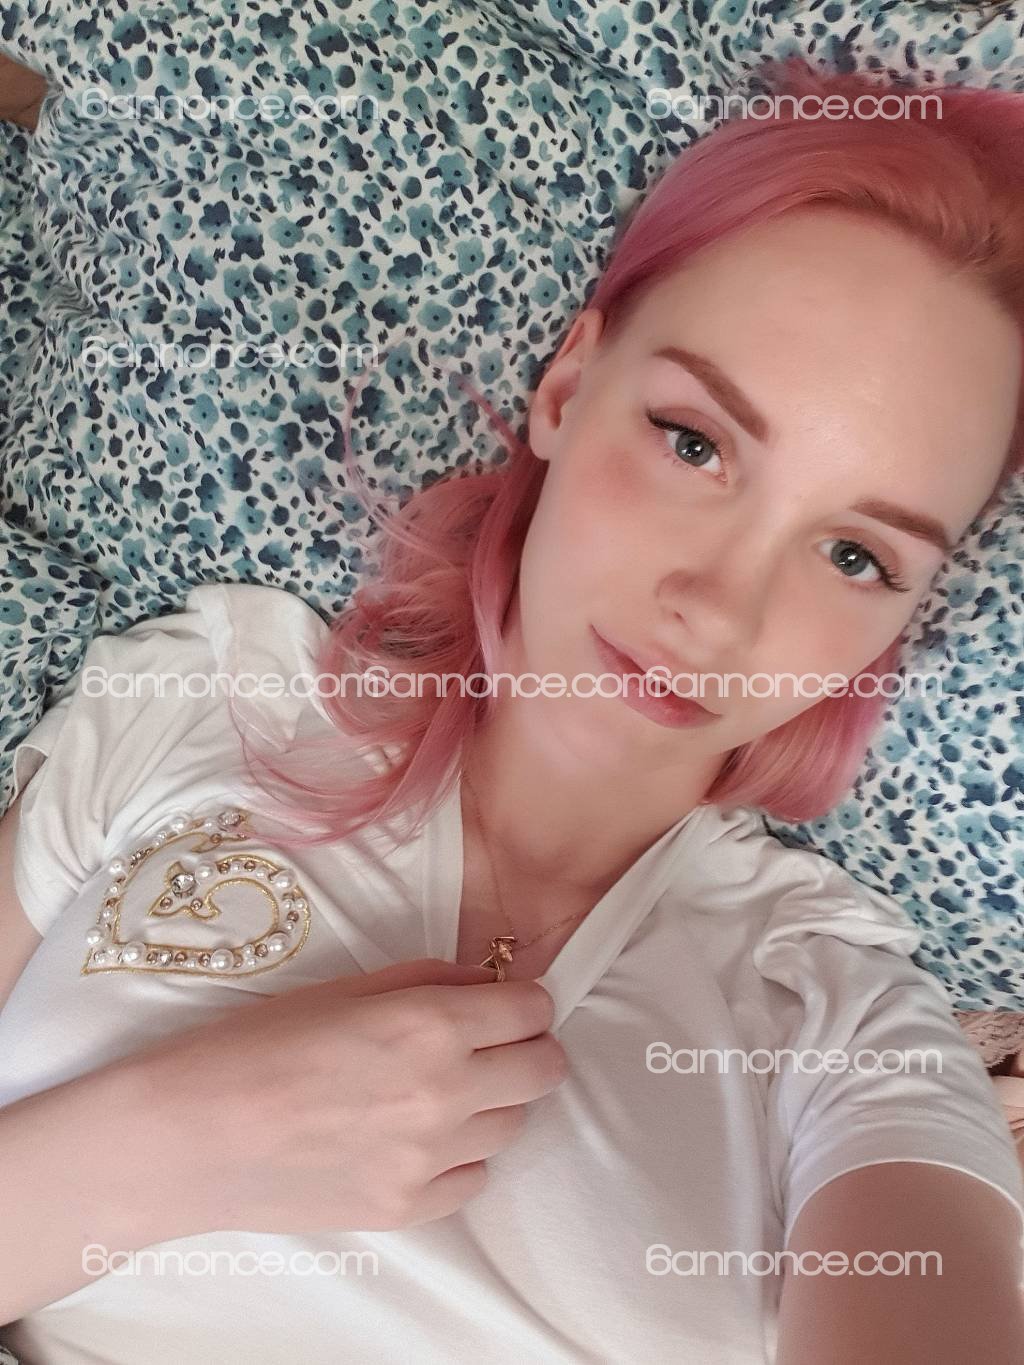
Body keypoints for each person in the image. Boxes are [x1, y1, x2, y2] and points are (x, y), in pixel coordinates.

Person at [1, 58, 1024, 1364]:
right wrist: (178, 1142)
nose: (716, 609)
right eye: (695, 442)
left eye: (855, 554)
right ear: (566, 387)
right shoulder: (211, 692)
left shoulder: (838, 1012)